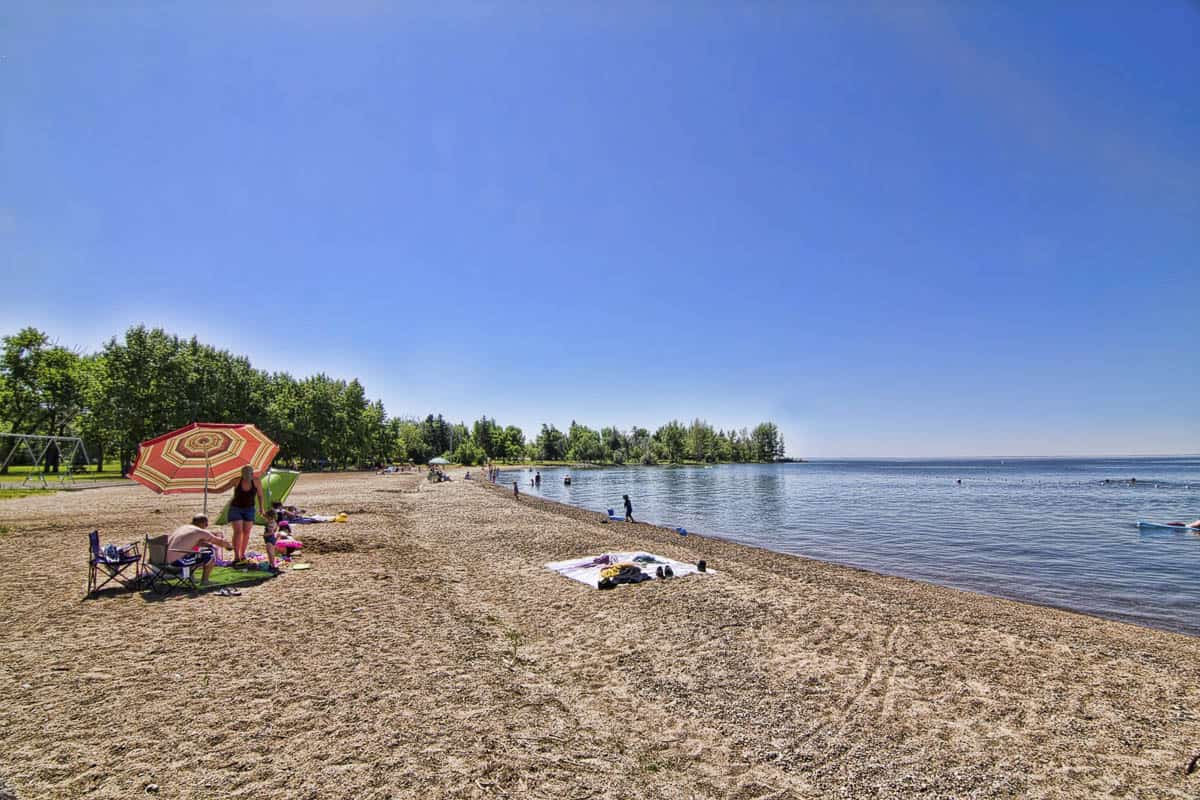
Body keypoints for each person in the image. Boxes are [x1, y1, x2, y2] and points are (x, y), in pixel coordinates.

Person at [165, 515, 232, 585]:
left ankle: (191, 578)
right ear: (205, 524)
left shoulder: (184, 528)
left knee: (193, 554)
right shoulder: (200, 532)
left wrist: (208, 543)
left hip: (162, 561)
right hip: (175, 564)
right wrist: (230, 547)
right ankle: (205, 581)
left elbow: (194, 542)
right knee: (210, 553)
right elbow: (219, 542)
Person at [220, 465, 264, 564]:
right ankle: (236, 556)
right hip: (236, 508)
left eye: (250, 476)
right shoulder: (236, 480)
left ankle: (242, 554)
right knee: (238, 532)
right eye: (246, 476)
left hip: (249, 509)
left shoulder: (256, 481)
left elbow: (260, 495)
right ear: (242, 475)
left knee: (246, 532)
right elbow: (222, 489)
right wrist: (207, 489)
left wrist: (261, 508)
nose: (248, 478)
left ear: (252, 474)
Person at [261, 509, 282, 573]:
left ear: (270, 517)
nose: (265, 518)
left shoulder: (270, 523)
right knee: (271, 552)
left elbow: (271, 532)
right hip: (272, 538)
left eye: (267, 517)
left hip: (269, 538)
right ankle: (272, 564)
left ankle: (272, 565)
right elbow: (263, 516)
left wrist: (264, 534)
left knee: (270, 552)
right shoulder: (274, 522)